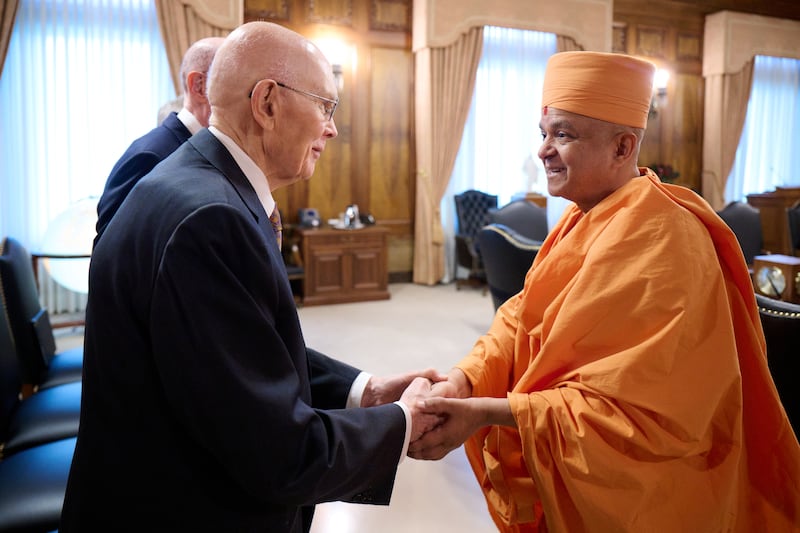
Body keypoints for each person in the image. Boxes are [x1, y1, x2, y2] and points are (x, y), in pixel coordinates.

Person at [61, 21, 442, 532]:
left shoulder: (195, 182)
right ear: (267, 103)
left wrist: (364, 391)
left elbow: (242, 347)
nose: (331, 128)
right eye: (326, 107)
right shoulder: (211, 220)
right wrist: (403, 423)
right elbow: (278, 453)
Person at [410, 51, 800, 531]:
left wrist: (487, 413)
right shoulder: (585, 214)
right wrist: (465, 379)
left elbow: (647, 419)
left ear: (622, 147)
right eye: (544, 133)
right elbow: (522, 316)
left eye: (564, 135)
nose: (543, 150)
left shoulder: (669, 240)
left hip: (659, 495)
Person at [94, 36, 225, 243]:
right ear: (199, 86)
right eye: (233, 81)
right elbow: (113, 252)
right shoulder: (151, 155)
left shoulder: (214, 152)